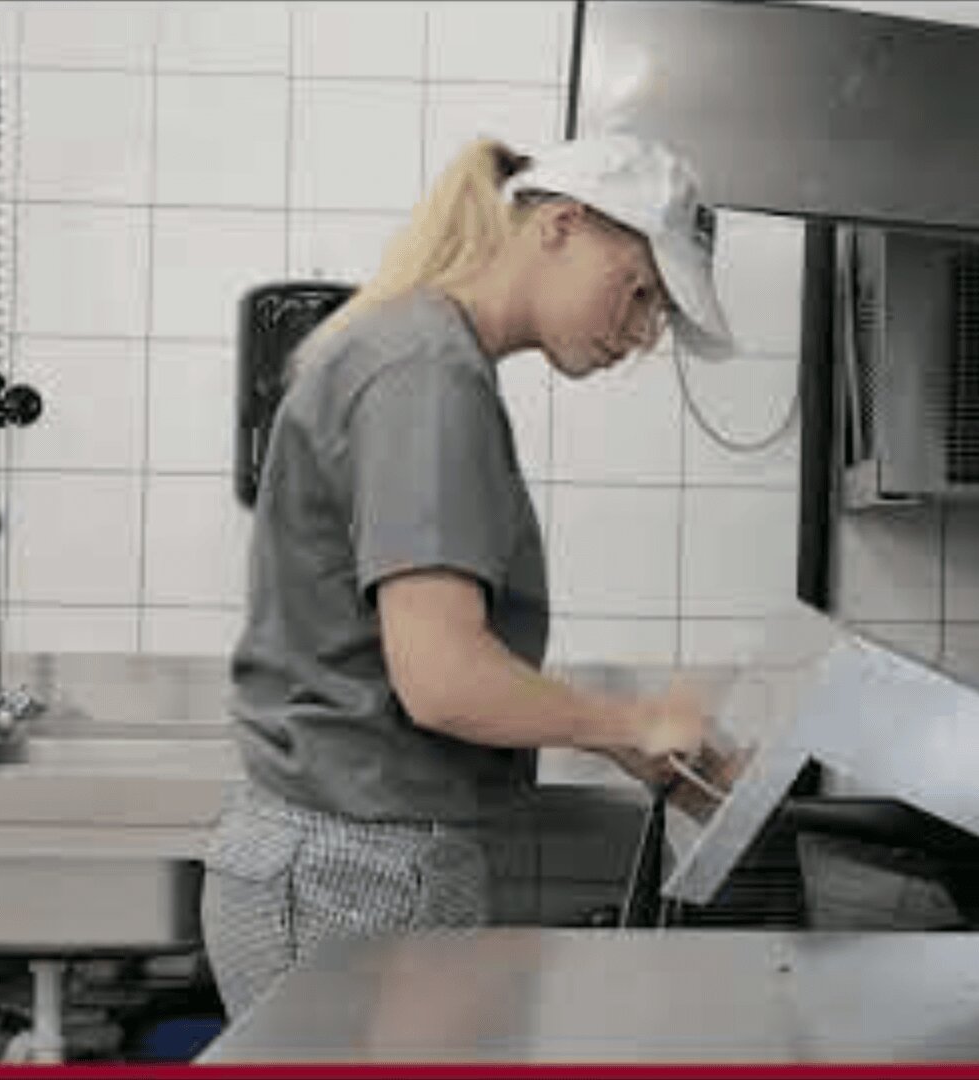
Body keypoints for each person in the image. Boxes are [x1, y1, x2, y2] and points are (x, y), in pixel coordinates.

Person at [200, 133, 740, 1023]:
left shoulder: (417, 349)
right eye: (639, 290)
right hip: (357, 869)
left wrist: (628, 739)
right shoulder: (426, 374)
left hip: (347, 858)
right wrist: (630, 723)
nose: (641, 332)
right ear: (560, 227)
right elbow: (443, 679)